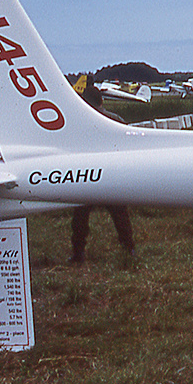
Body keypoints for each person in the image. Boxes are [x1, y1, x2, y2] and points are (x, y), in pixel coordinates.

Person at [69, 85, 136, 264]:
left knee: (80, 218)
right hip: (112, 176)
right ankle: (129, 249)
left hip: (87, 177)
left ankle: (78, 253)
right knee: (120, 216)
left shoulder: (79, 123)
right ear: (101, 101)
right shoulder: (116, 120)